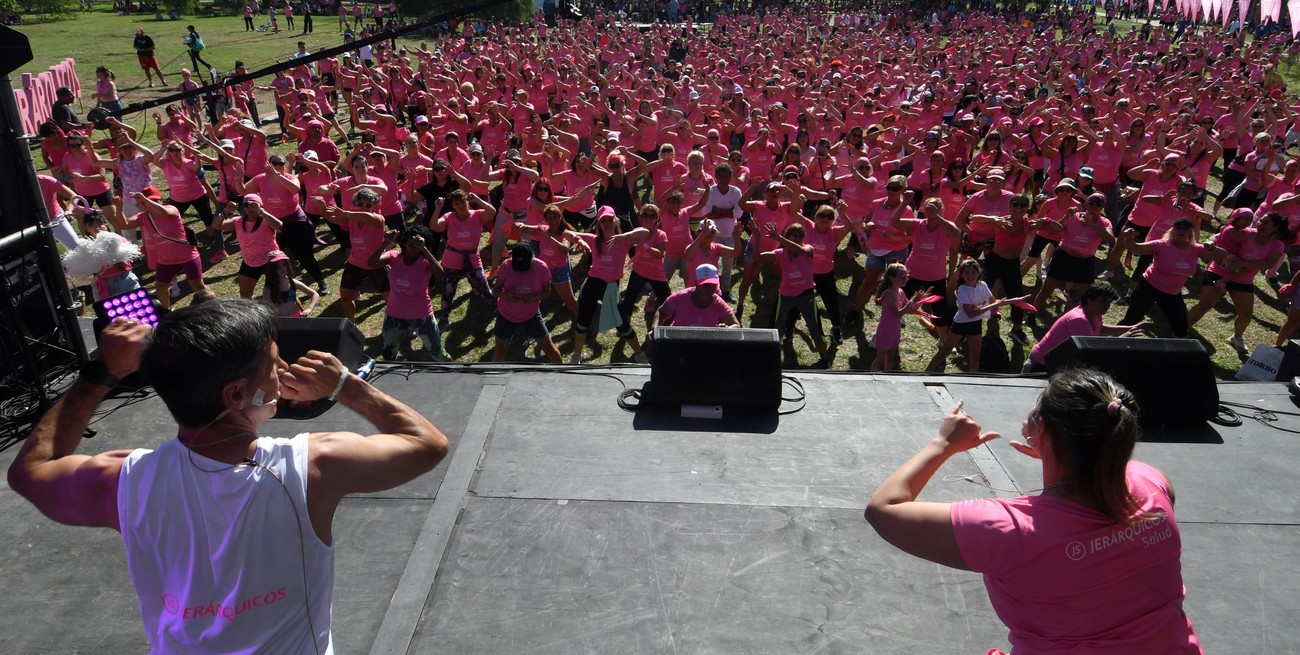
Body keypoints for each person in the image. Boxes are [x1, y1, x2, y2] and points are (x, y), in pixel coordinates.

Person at [7, 299, 450, 652]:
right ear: (238, 393)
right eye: (273, 363)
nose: (281, 372)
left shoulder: (123, 480)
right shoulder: (312, 466)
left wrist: (99, 375)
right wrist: (346, 386)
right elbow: (427, 444)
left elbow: (31, 472)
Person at [866, 368, 1203, 654]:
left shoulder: (1011, 531)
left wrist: (943, 444)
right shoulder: (1152, 484)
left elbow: (883, 510)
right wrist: (1064, 459)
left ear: (1038, 430)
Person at [1024, 284, 1147, 374]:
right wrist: (1122, 340)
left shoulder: (1094, 313)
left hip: (1056, 366)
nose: (1107, 306)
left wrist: (1131, 328)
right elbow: (1092, 351)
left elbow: (1101, 329)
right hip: (1041, 366)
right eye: (1103, 302)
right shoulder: (1079, 320)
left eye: (1109, 303)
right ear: (1089, 299)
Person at [370, 225, 450, 362]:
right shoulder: (394, 256)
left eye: (419, 240)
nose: (414, 242)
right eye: (411, 239)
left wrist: (424, 250)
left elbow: (440, 273)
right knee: (388, 355)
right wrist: (385, 242)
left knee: (439, 355)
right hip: (394, 314)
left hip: (422, 315)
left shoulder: (425, 261)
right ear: (405, 240)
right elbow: (371, 263)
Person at [493, 244, 563, 363]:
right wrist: (507, 296)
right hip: (506, 315)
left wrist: (536, 298)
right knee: (500, 350)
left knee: (549, 347)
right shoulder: (506, 265)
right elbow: (496, 289)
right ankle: (494, 377)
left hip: (531, 315)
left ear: (532, 258)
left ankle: (562, 374)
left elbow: (547, 292)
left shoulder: (541, 267)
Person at [651, 264, 739, 329]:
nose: (709, 288)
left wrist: (727, 329)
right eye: (705, 284)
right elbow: (662, 312)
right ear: (696, 283)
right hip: (679, 343)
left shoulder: (718, 303)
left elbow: (736, 326)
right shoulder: (680, 297)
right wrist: (654, 329)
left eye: (713, 284)